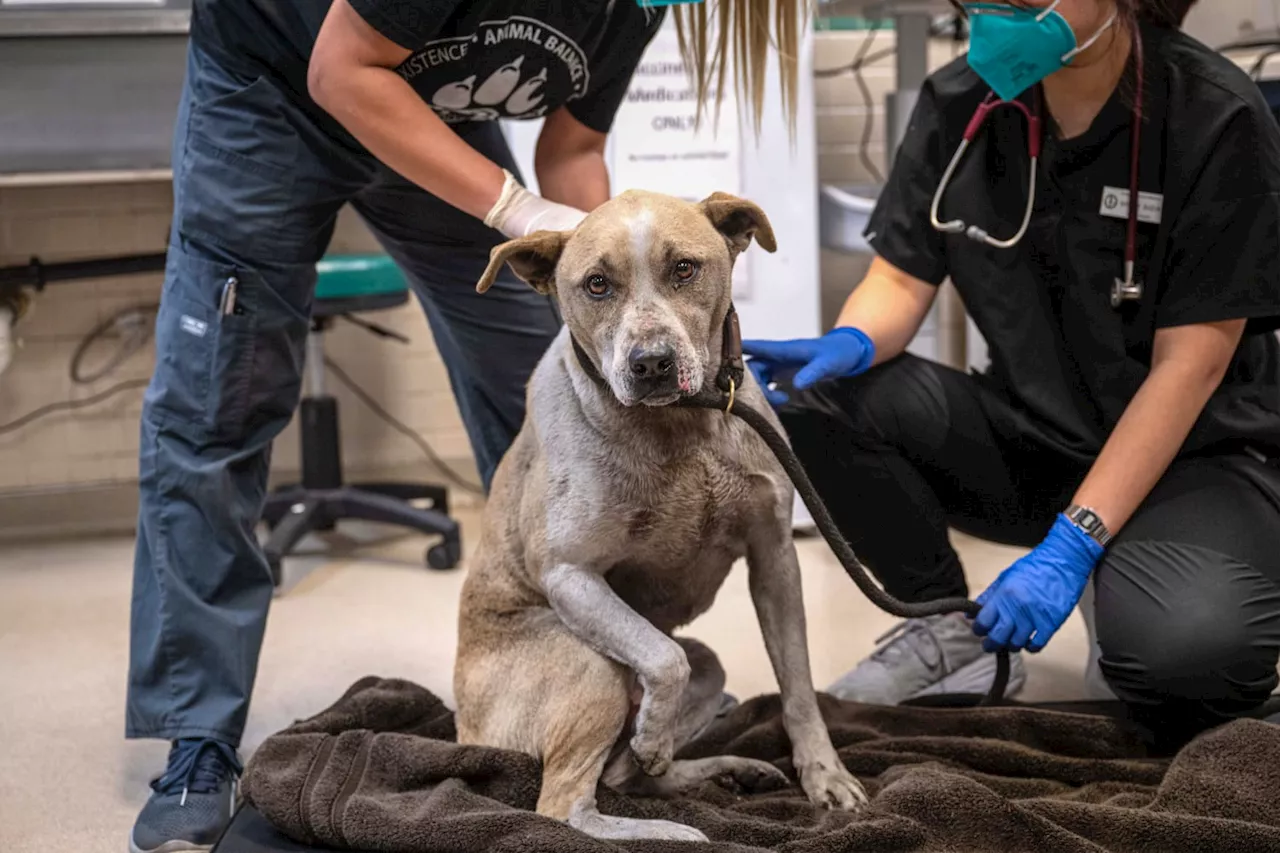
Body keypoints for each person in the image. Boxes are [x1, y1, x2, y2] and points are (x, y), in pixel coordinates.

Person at [124, 1, 808, 850]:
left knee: (548, 364)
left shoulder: (639, 4)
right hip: (273, 99)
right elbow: (341, 71)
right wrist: (515, 211)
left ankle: (579, 677)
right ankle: (197, 736)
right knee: (220, 402)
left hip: (431, 111)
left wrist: (609, 287)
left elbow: (575, 148)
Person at [746, 0, 1280, 750]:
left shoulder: (1213, 115)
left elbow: (1191, 367)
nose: (1002, 15)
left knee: (1188, 663)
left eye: (1028, 3)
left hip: (1193, 457)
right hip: (1032, 433)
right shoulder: (961, 102)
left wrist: (1074, 544)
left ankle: (1123, 567)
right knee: (811, 398)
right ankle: (948, 632)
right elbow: (901, 281)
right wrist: (850, 342)